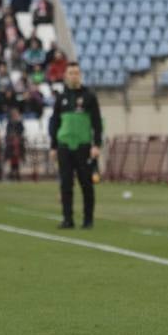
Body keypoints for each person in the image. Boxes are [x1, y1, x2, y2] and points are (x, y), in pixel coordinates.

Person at [48, 61, 103, 229]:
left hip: (83, 145)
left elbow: (97, 123)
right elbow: (55, 123)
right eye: (71, 73)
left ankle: (88, 219)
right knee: (65, 183)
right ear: (65, 76)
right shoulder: (61, 98)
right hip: (64, 145)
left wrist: (96, 144)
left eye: (76, 73)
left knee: (86, 183)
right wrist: (53, 146)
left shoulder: (89, 97)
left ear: (80, 75)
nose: (74, 76)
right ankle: (67, 219)